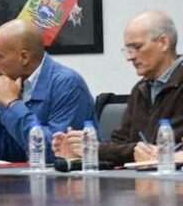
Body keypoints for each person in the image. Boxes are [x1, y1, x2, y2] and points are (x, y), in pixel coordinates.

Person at [52, 10, 183, 164]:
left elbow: (163, 148)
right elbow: (120, 143)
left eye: (137, 47)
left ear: (163, 43)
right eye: (128, 50)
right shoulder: (141, 89)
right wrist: (81, 150)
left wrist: (96, 149)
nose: (130, 57)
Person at [0, 18, 96, 162]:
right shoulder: (10, 85)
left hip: (66, 182)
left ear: (24, 57)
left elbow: (53, 153)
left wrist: (13, 104)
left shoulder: (68, 85)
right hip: (21, 180)